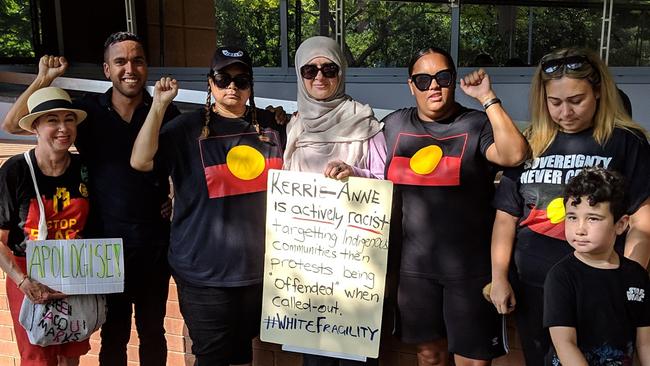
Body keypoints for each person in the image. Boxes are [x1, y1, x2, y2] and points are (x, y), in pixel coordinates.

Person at [1, 32, 179, 366]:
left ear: (146, 67)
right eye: (120, 61)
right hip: (103, 247)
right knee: (113, 335)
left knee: (154, 333)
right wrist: (44, 79)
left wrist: (176, 196)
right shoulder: (85, 112)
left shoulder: (165, 111)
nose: (130, 68)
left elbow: (182, 161)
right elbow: (14, 124)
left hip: (154, 243)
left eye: (137, 60)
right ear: (106, 70)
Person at [490, 48, 650, 366]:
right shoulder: (531, 141)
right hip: (535, 286)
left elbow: (643, 223)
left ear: (599, 93)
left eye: (576, 100)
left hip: (600, 289)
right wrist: (499, 277)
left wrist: (625, 282)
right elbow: (507, 215)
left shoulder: (626, 142)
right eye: (555, 102)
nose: (566, 112)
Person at [131, 46, 285, 366]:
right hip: (204, 275)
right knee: (212, 358)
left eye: (241, 80)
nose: (232, 86)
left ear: (251, 85)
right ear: (210, 83)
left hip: (256, 274)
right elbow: (140, 160)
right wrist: (159, 105)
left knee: (243, 354)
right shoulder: (187, 128)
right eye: (223, 78)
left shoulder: (272, 125)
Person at [382, 46, 528, 366]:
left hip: (471, 270)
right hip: (414, 270)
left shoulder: (475, 124)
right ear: (411, 85)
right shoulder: (392, 125)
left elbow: (515, 155)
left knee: (473, 361)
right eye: (423, 80)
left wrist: (488, 98)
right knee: (429, 355)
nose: (433, 86)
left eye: (442, 77)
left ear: (453, 80)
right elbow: (365, 169)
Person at [283, 36, 385, 366]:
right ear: (300, 76)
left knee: (355, 360)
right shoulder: (295, 127)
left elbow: (385, 185)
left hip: (356, 268)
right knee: (315, 360)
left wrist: (353, 173)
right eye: (309, 70)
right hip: (308, 267)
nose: (319, 77)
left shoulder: (366, 122)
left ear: (341, 72)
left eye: (329, 68)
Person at [0, 87, 89, 365]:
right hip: (27, 275)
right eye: (52, 120)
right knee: (38, 357)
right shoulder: (15, 171)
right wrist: (23, 281)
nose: (63, 128)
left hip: (73, 274)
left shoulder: (85, 168)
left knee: (70, 356)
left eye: (68, 119)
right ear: (35, 126)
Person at [544, 167, 650, 365]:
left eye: (593, 218)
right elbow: (565, 343)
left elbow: (645, 343)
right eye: (572, 217)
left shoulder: (636, 275)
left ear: (620, 224)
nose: (580, 229)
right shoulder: (561, 276)